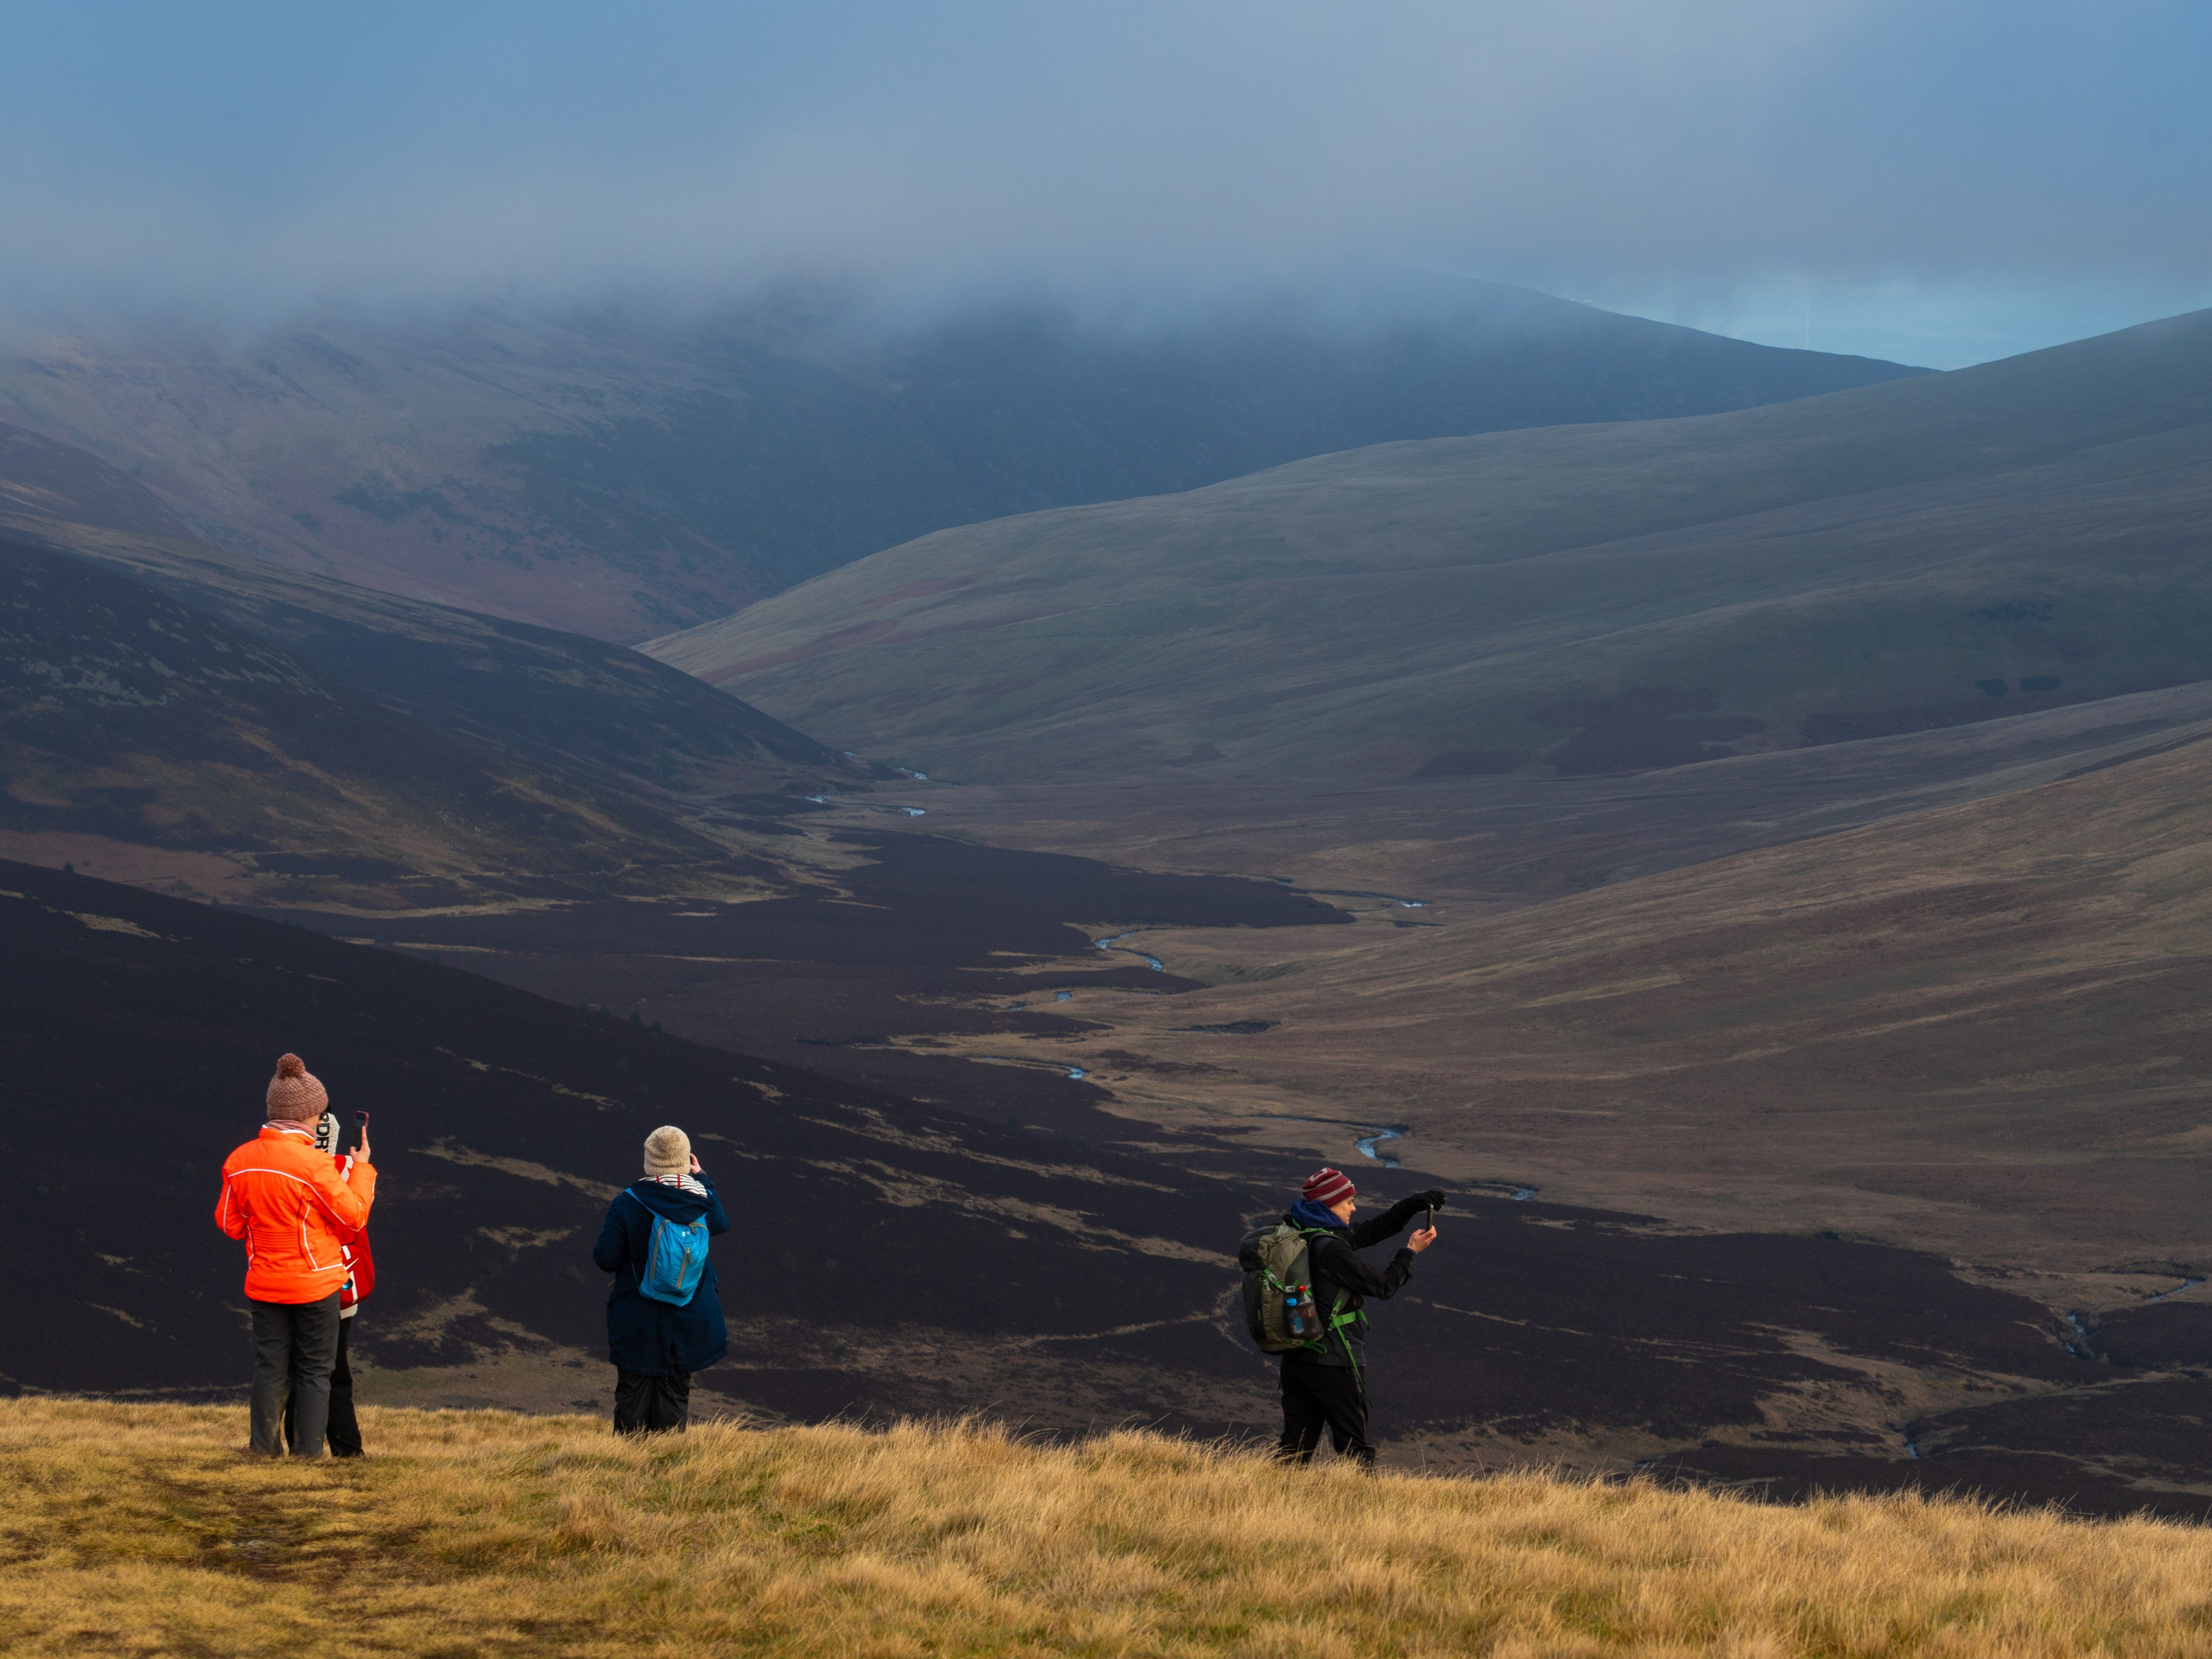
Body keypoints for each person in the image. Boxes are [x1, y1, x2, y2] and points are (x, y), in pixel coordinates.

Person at [213, 1054, 376, 1458]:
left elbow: (230, 1225)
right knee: (316, 1371)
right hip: (315, 1282)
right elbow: (353, 1217)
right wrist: (362, 1169)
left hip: (264, 1281)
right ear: (311, 1113)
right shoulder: (314, 1165)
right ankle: (307, 1456)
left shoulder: (239, 1160)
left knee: (270, 1366)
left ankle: (262, 1450)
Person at [1275, 1165, 1440, 1468]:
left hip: (1298, 1357)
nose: (1354, 1207)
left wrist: (1409, 1206)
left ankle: (1260, 1506)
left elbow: (1371, 1230)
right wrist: (1410, 1251)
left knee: (1294, 1449)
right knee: (1354, 1449)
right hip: (1334, 1360)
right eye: (1348, 1202)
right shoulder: (1330, 1248)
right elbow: (1384, 1285)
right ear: (1329, 1205)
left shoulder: (1302, 1232)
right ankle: (1366, 1509)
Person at [592, 1125, 729, 1434]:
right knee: (674, 1395)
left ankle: (626, 1468)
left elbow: (606, 1259)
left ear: (648, 1160)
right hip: (689, 1317)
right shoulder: (702, 1200)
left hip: (638, 1317)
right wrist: (702, 1177)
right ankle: (667, 1468)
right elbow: (722, 1224)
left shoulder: (628, 1201)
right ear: (685, 1159)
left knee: (632, 1395)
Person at [283, 1108, 375, 1457]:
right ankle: (347, 1451)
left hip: (296, 1280)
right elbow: (355, 1219)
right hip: (342, 1283)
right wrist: (360, 1162)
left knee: (298, 1368)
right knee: (334, 1370)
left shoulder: (283, 1167)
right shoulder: (349, 1169)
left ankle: (302, 1448)